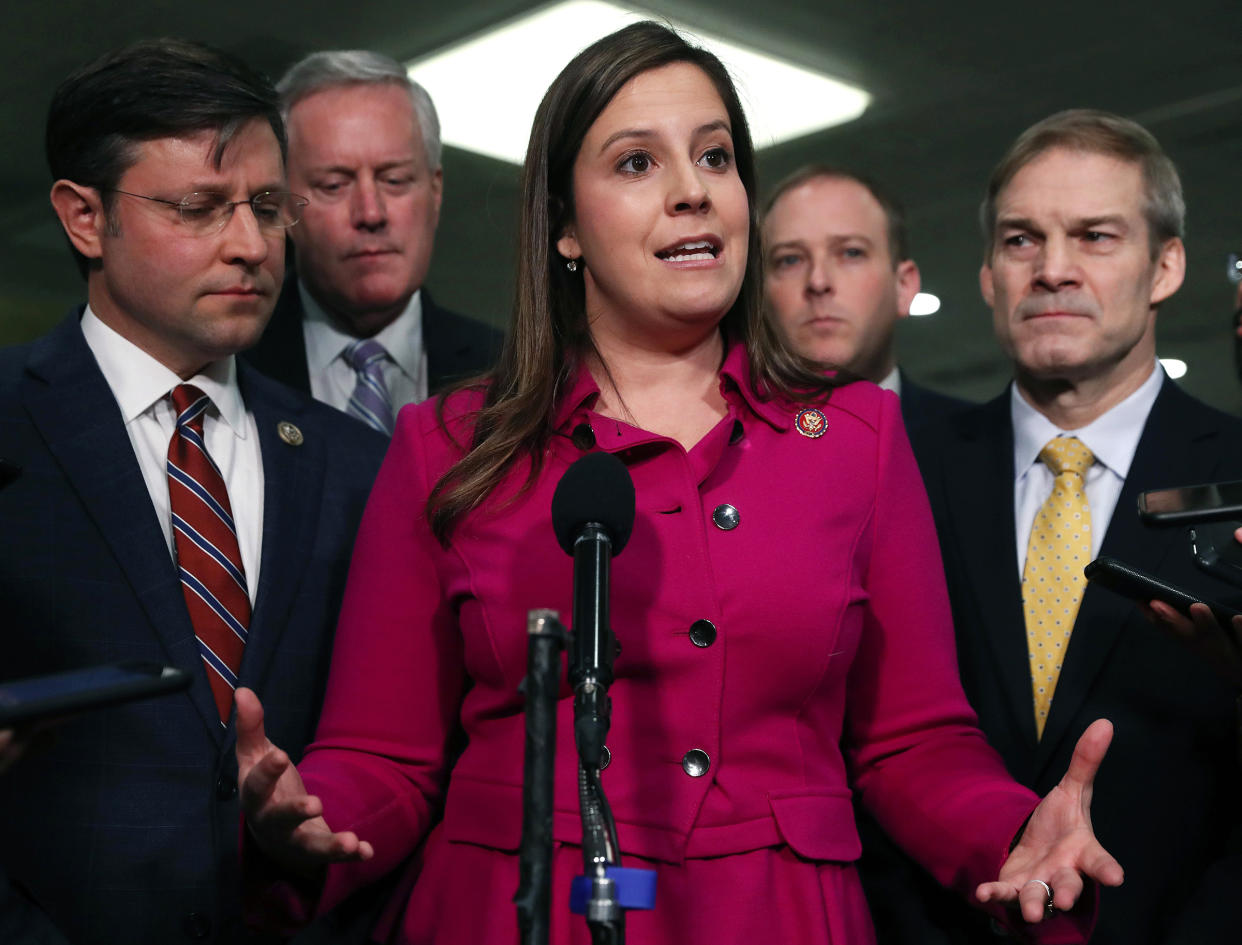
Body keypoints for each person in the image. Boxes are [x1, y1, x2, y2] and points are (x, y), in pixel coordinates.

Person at [236, 24, 1123, 945]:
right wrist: (310, 816)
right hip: (514, 915)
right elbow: (385, 755)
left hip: (780, 919)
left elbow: (914, 742)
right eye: (635, 164)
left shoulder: (857, 437)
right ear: (565, 226)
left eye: (715, 155)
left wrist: (1012, 829)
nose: (692, 189)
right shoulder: (445, 445)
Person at [0, 39, 386, 944]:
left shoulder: (355, 464)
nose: (251, 245)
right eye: (198, 208)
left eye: (265, 205)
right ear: (84, 217)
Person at [885, 110, 1242, 944]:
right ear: (986, 276)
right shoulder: (898, 473)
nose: (1052, 269)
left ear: (1166, 265)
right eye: (1021, 240)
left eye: (1094, 237)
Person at [243, 50, 502, 433]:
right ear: (283, 207)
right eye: (334, 185)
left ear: (435, 191)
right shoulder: (229, 363)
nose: (370, 213)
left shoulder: (513, 372)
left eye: (394, 180)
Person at [762, 165, 968, 437]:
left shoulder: (988, 449)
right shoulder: (722, 456)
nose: (818, 281)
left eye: (851, 253)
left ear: (903, 286)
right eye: (790, 259)